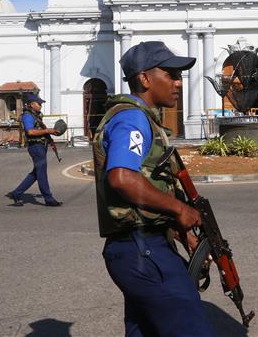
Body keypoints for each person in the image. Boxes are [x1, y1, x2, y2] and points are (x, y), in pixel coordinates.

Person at [92, 41, 215, 337]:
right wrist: (179, 209)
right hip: (142, 248)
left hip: (141, 247)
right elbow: (121, 177)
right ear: (145, 78)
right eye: (171, 74)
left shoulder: (143, 118)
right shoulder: (132, 118)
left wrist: (179, 228)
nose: (177, 82)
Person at [6, 92, 62, 207]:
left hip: (41, 146)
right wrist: (48, 131)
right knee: (41, 173)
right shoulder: (28, 116)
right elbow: (30, 131)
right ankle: (49, 198)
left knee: (36, 173)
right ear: (31, 104)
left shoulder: (36, 115)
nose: (41, 105)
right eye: (39, 103)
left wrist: (50, 139)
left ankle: (17, 193)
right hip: (36, 147)